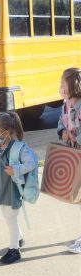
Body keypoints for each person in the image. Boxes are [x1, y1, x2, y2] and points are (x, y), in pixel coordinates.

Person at [0, 112, 36, 264]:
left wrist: (16, 169)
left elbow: (32, 163)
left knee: (11, 218)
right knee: (8, 217)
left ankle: (14, 250)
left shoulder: (19, 148)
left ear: (5, 132)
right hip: (1, 188)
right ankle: (19, 238)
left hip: (12, 190)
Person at [57, 67, 81, 254]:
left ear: (73, 86)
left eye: (63, 85)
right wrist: (63, 133)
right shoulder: (66, 105)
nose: (60, 88)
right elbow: (61, 123)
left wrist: (76, 138)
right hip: (74, 155)